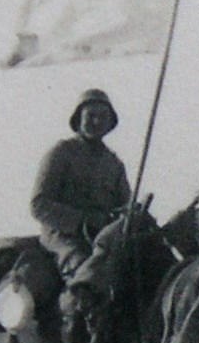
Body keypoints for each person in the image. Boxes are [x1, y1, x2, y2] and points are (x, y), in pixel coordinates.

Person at [31, 88, 132, 279]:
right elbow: (39, 204)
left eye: (103, 117)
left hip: (103, 239)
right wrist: (83, 221)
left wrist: (131, 214)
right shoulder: (61, 153)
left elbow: (124, 206)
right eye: (90, 115)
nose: (97, 121)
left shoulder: (115, 164)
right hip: (64, 238)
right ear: (78, 120)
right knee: (85, 272)